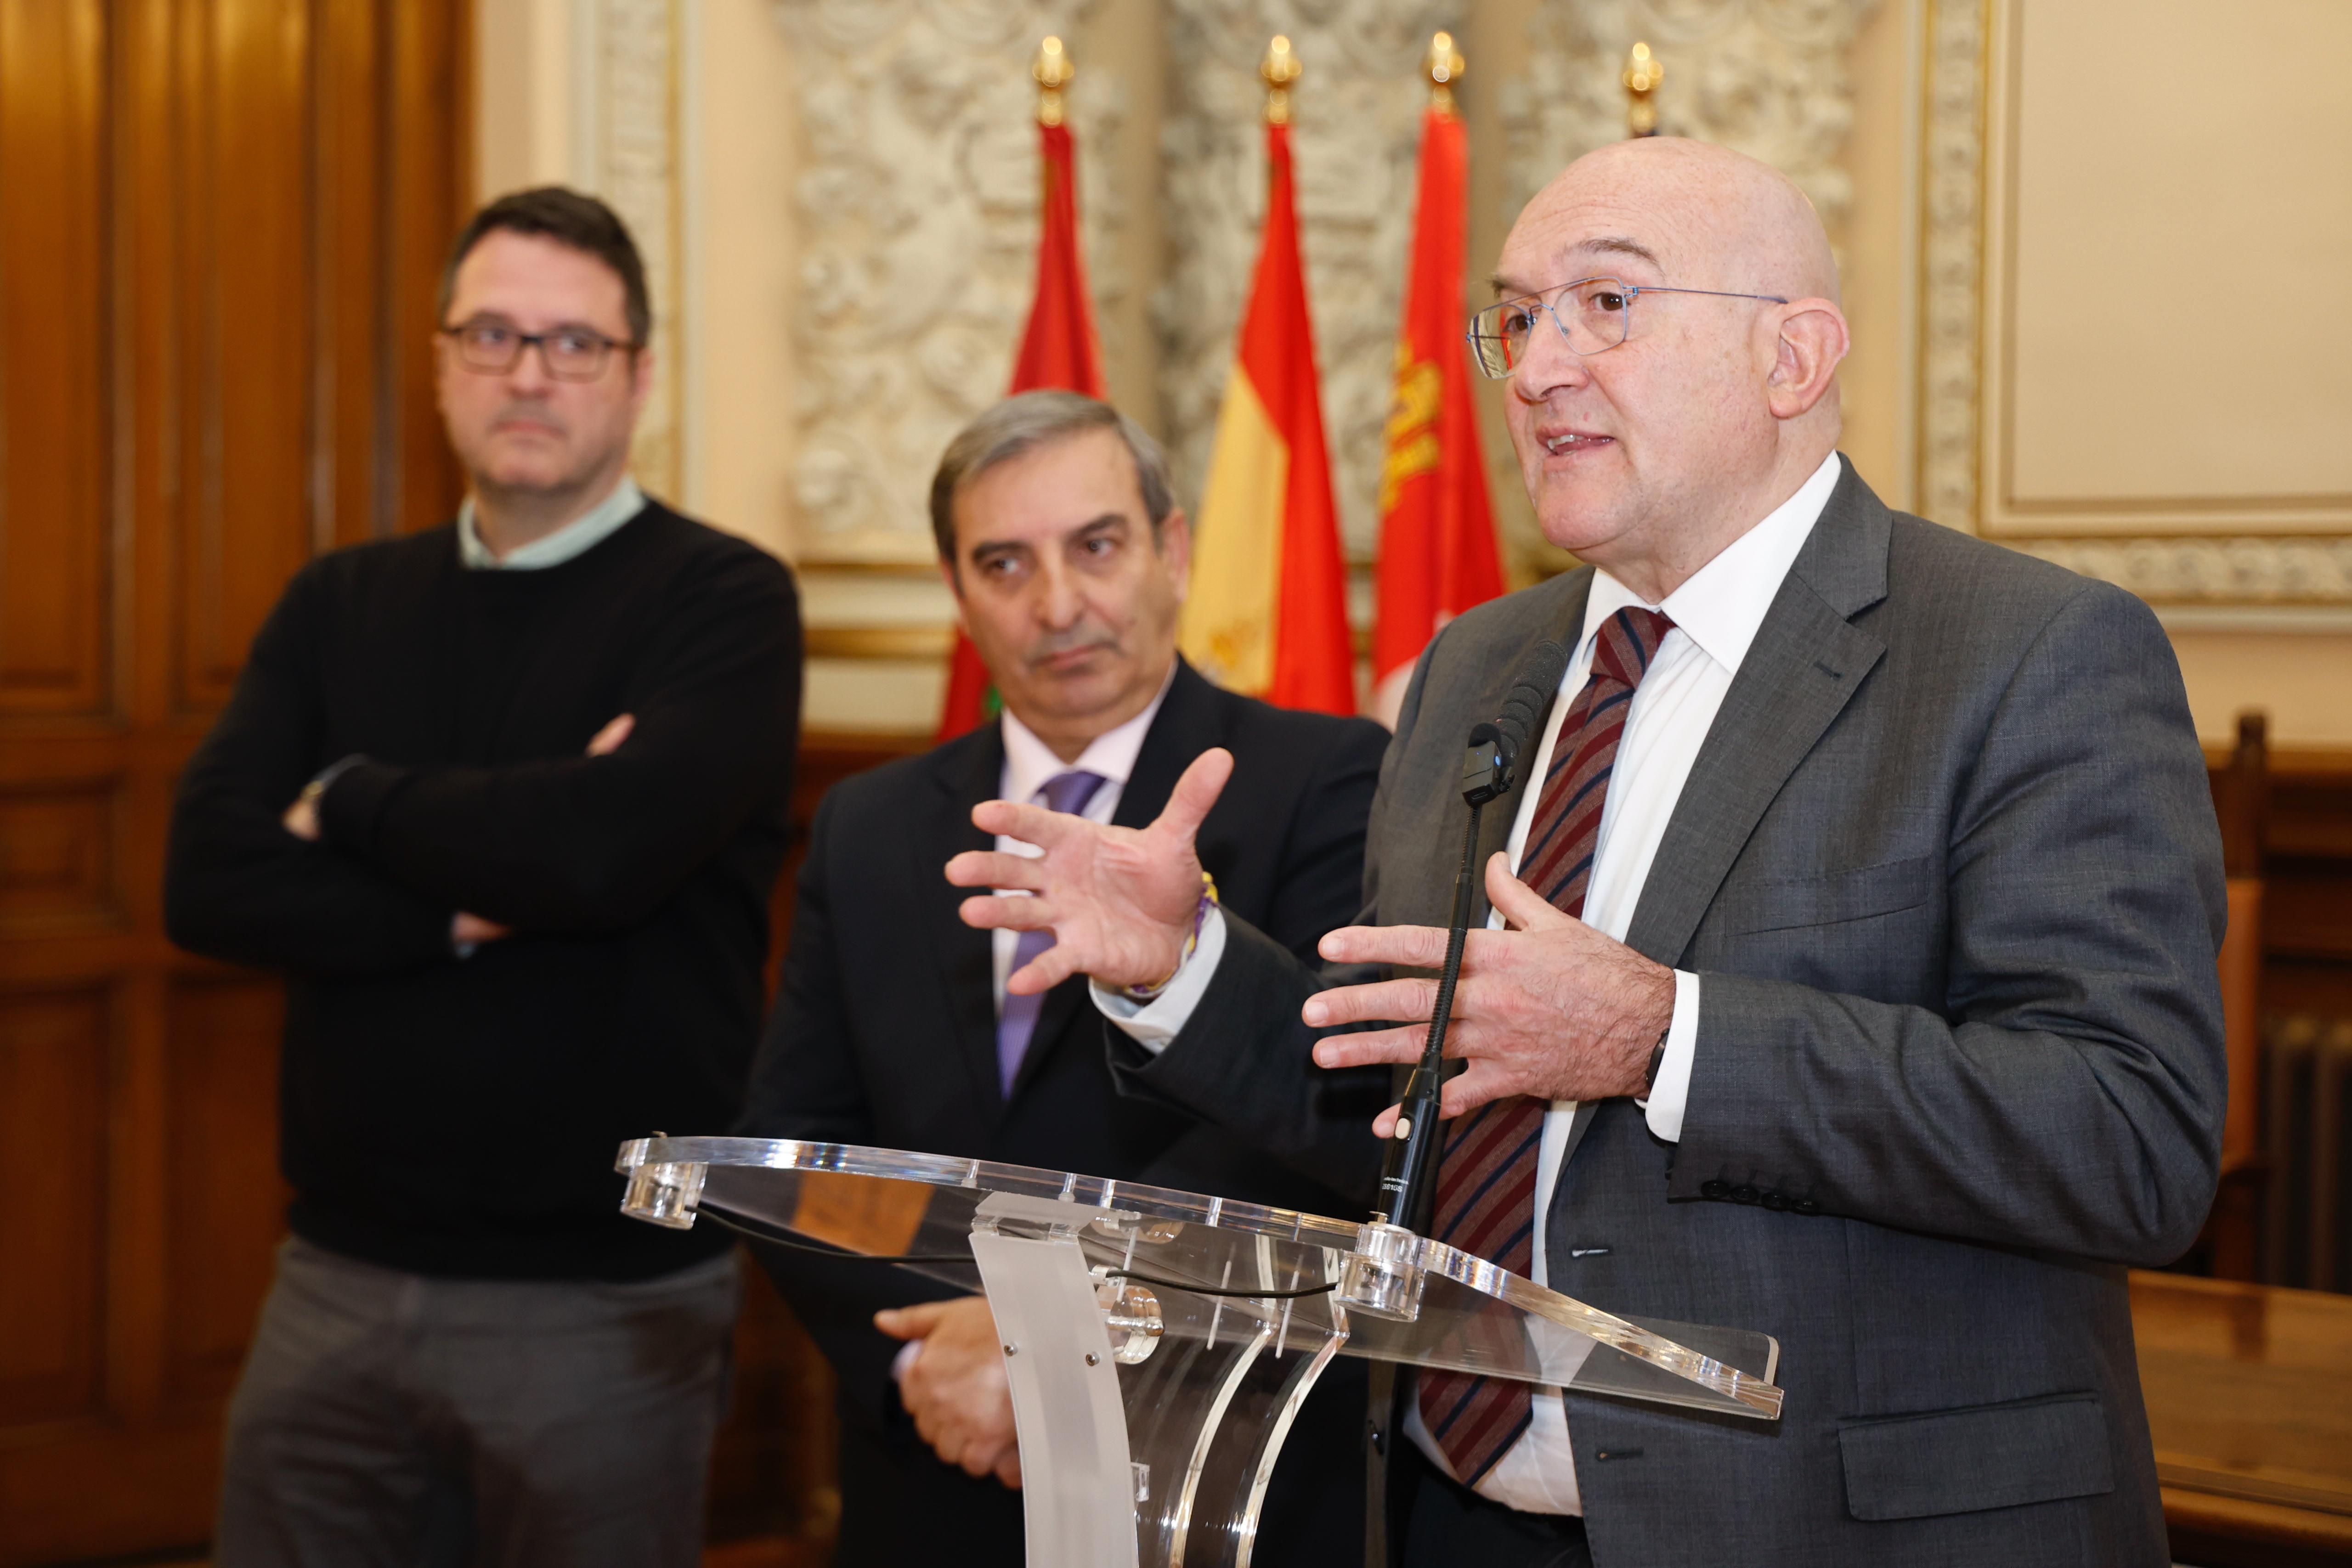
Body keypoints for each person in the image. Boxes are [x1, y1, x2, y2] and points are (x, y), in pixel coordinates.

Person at [947, 140, 2225, 1567]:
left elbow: (2132, 1133)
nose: (1539, 367)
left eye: (1607, 305)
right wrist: (1186, 968)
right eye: (1516, 317)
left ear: (1792, 357)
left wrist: (1665, 1036)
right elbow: (1405, 1094)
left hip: (1839, 1530)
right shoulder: (1476, 667)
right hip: (1462, 1520)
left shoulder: (2027, 651)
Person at [165, 187, 802, 1568]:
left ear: (639, 376)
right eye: (493, 335)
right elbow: (206, 877)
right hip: (331, 1277)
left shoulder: (726, 602)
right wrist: (472, 901)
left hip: (605, 1301)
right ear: (442, 363)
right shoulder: (337, 602)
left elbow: (599, 853)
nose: (529, 373)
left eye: (574, 343)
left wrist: (349, 796)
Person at [738, 389, 1391, 1566]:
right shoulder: (868, 825)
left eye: (1095, 546)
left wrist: (1051, 1352)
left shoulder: (1329, 779)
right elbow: (801, 1147)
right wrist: (917, 1361)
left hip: (1213, 1466)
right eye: (1004, 563)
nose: (1056, 605)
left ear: (1172, 552)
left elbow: (1325, 1119)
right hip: (936, 1464)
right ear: (959, 593)